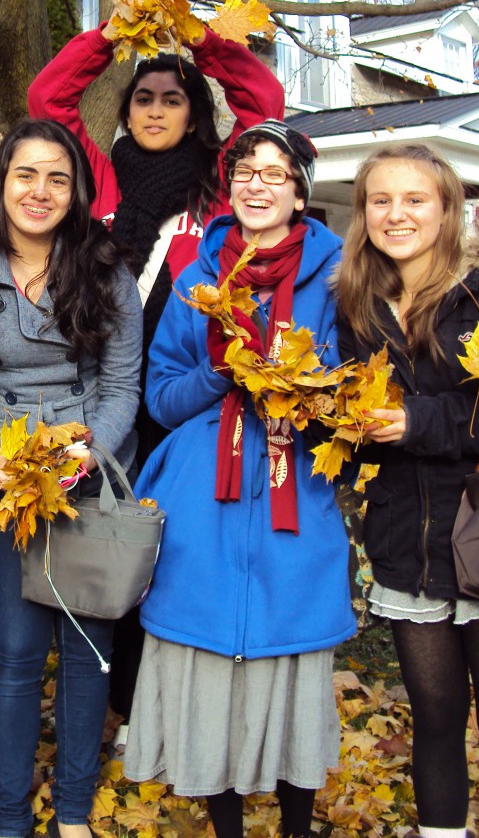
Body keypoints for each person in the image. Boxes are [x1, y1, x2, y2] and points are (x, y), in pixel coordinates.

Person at [27, 17, 285, 743]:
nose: (156, 109)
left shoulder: (223, 183)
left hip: (190, 402)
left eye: (173, 98)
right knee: (113, 546)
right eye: (143, 97)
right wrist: (113, 34)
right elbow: (49, 99)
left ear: (195, 110)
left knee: (182, 549)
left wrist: (199, 38)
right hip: (107, 398)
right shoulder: (100, 176)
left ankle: (185, 705)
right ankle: (121, 706)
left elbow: (263, 100)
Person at [126, 121, 353, 838]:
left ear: (299, 192)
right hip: (203, 500)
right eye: (245, 171)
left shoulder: (339, 274)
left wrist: (301, 386)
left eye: (275, 174)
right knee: (208, 673)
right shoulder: (197, 275)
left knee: (289, 657)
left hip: (297, 493)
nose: (257, 185)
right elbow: (159, 397)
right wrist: (218, 370)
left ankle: (294, 826)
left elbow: (354, 392)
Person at [334, 143, 479, 838]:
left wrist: (415, 421)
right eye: (381, 200)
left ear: (446, 209)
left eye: (414, 200)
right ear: (363, 212)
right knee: (433, 724)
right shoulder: (356, 305)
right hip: (408, 540)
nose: (396, 214)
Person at [0, 120, 142, 838]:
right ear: (0, 184)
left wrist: (87, 456)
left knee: (88, 650)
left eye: (58, 178)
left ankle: (77, 810)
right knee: (18, 655)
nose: (41, 191)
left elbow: (122, 389)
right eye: (26, 174)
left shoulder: (106, 272)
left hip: (87, 478)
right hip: (7, 490)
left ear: (76, 191)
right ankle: (9, 814)